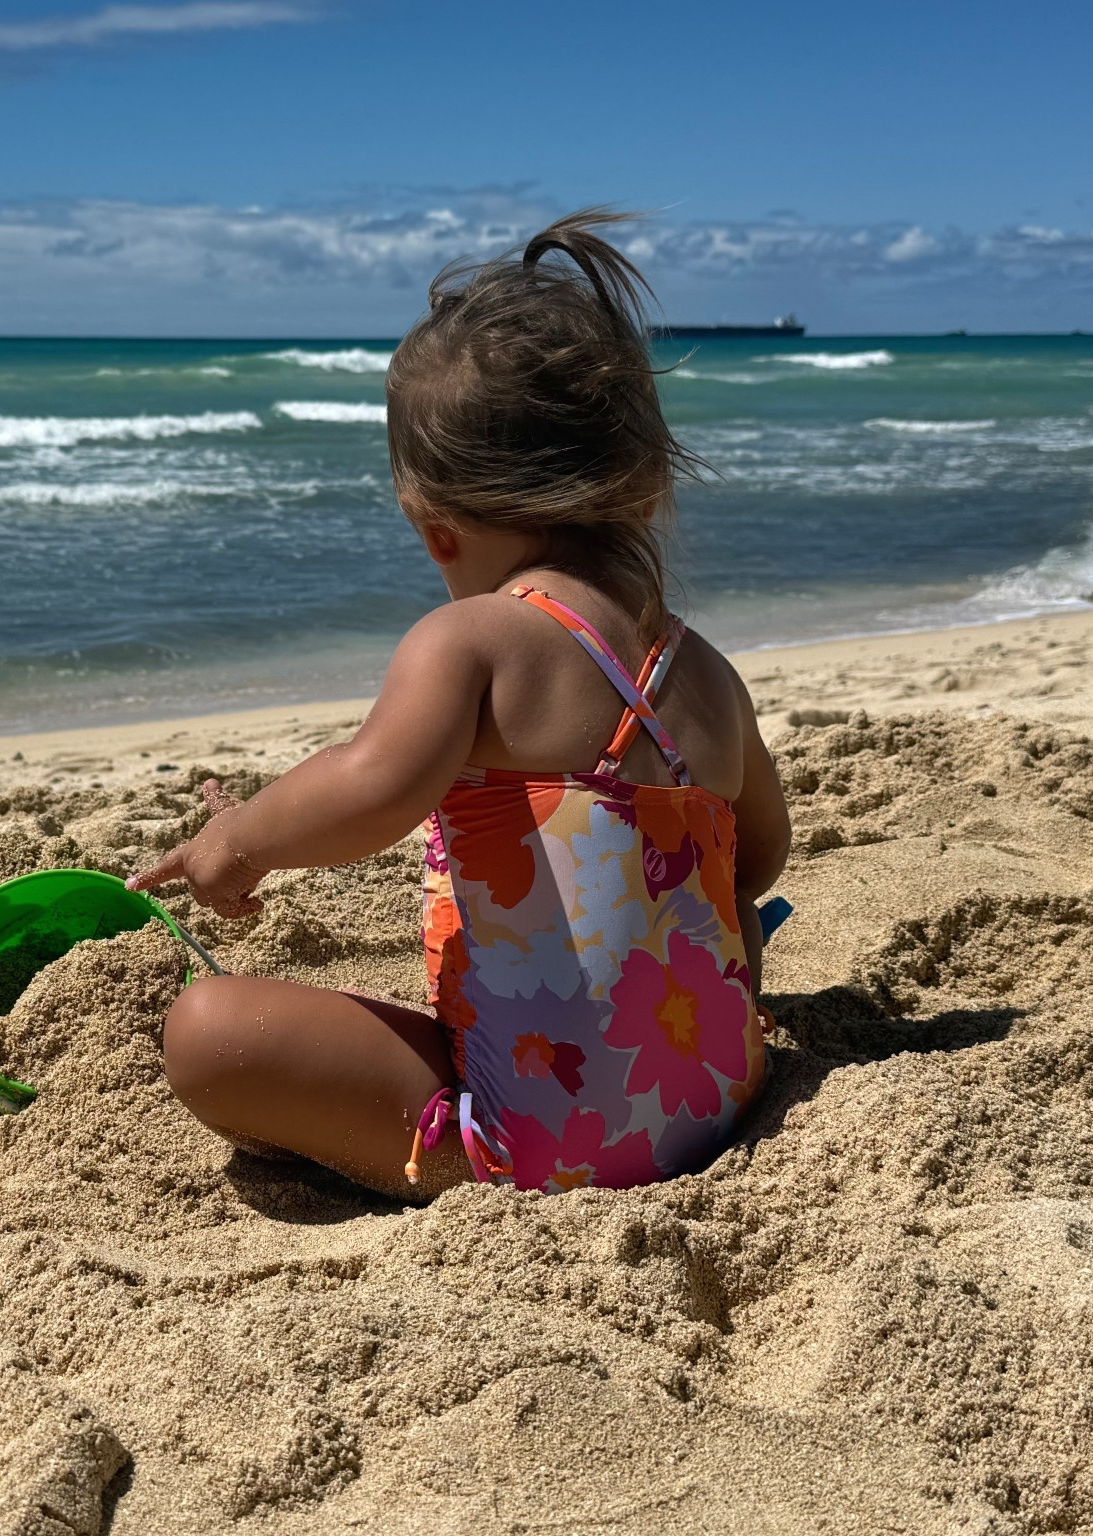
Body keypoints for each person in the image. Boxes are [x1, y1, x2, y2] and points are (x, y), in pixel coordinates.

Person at [129, 210, 790, 1199]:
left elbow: (372, 784)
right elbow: (763, 852)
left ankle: (450, 1163)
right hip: (716, 1096)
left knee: (209, 1031)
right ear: (639, 485)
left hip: (543, 1140)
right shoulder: (703, 673)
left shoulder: (469, 639)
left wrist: (241, 840)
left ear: (434, 529)